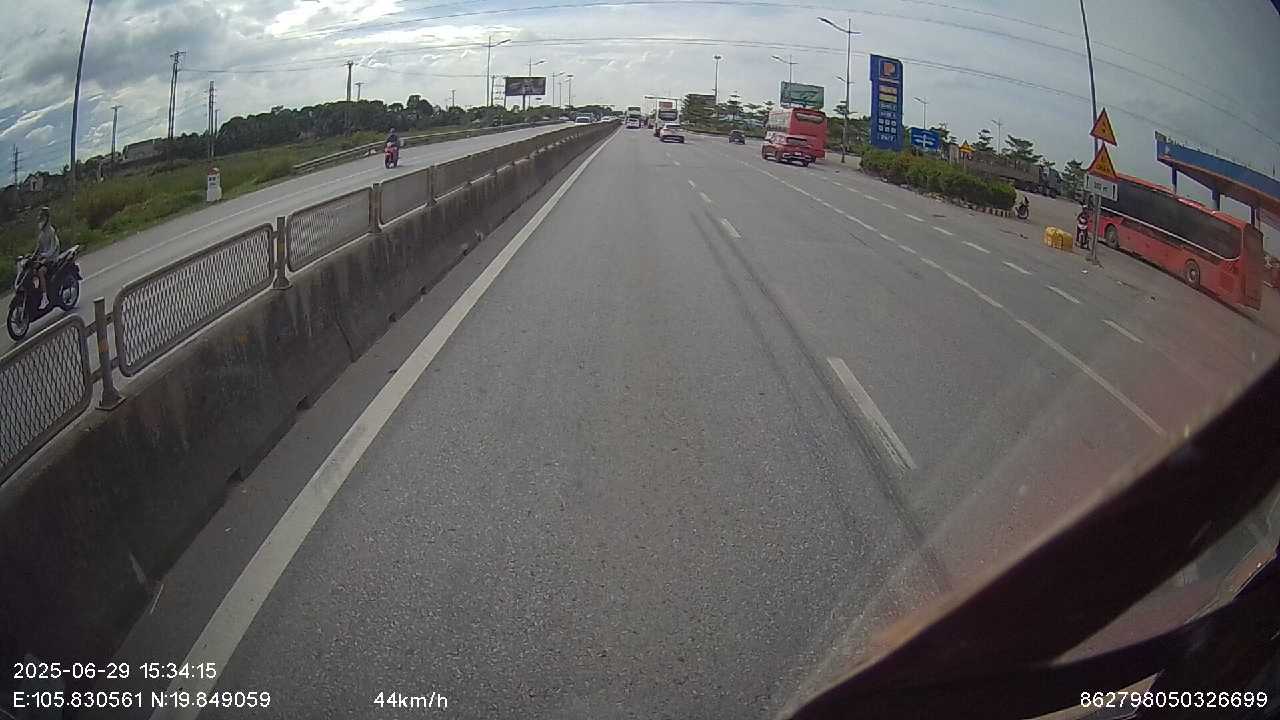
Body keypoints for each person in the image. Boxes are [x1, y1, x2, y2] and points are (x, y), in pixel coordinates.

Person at [32, 207, 60, 306]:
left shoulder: (51, 232)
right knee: (32, 270)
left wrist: (43, 256)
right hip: (43, 259)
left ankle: (45, 298)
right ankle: (37, 292)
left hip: (52, 260)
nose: (40, 219)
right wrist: (32, 256)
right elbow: (38, 248)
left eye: (42, 217)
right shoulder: (41, 234)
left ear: (46, 218)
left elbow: (53, 249)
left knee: (40, 272)